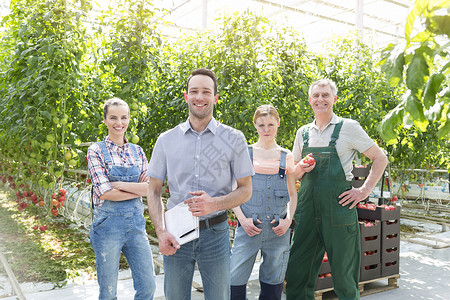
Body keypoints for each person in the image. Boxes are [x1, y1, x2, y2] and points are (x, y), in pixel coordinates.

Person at [146, 68, 254, 300]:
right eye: (194, 91)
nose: (199, 97)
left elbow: (246, 190)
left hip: (216, 233)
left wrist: (214, 204)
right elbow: (153, 190)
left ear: (215, 98)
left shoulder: (234, 138)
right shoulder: (166, 140)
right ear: (186, 96)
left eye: (206, 92)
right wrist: (160, 231)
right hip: (176, 234)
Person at [285, 79, 388, 299]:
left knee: (344, 278)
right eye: (316, 95)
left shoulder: (349, 127)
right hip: (307, 211)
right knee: (297, 275)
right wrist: (301, 167)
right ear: (310, 100)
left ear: (334, 98)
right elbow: (293, 172)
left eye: (325, 95)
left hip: (339, 212)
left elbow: (380, 158)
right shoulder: (303, 132)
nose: (320, 99)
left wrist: (363, 191)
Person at [87, 97, 156, 300]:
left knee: (148, 287)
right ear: (105, 120)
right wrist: (138, 189)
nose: (119, 123)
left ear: (129, 119)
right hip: (108, 227)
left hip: (136, 226)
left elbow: (151, 188)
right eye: (113, 118)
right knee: (108, 293)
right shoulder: (96, 150)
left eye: (124, 117)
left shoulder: (138, 151)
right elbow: (105, 193)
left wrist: (121, 185)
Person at [230, 104, 297, 299]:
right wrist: (243, 220)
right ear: (255, 125)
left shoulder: (287, 156)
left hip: (278, 231)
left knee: (272, 285)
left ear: (278, 123)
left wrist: (288, 221)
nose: (266, 129)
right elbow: (234, 192)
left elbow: (293, 195)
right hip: (249, 228)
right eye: (261, 125)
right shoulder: (245, 153)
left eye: (270, 124)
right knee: (234, 280)